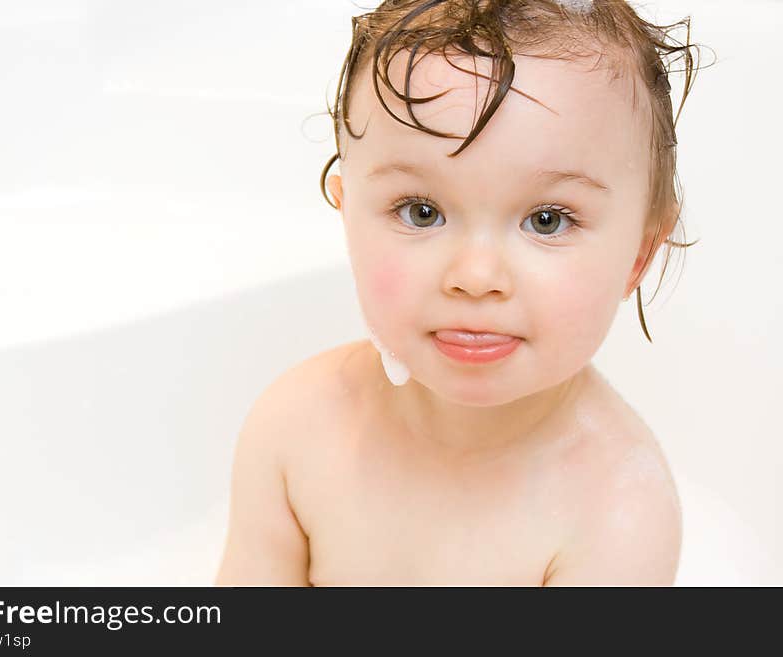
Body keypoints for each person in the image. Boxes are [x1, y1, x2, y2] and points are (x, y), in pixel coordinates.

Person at [215, 0, 706, 586]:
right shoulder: (295, 429)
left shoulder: (618, 511)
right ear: (347, 217)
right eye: (421, 212)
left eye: (547, 220)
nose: (475, 277)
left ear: (639, 256)